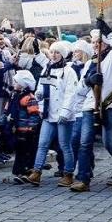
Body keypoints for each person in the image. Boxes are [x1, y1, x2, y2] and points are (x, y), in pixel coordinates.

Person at [71, 18, 112, 192]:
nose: (96, 45)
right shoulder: (90, 63)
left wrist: (109, 31)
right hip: (90, 105)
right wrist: (89, 80)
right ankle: (83, 178)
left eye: (99, 42)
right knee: (85, 142)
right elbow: (80, 90)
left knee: (111, 143)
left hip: (111, 104)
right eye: (94, 43)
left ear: (106, 43)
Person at [25, 41, 80, 187]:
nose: (54, 55)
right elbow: (41, 86)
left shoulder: (69, 71)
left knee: (64, 145)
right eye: (52, 52)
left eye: (57, 52)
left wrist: (65, 112)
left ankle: (68, 173)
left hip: (63, 114)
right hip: (49, 113)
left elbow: (71, 93)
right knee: (42, 143)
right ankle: (36, 172)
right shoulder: (46, 69)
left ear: (62, 55)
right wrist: (39, 94)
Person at [5, 70, 41, 182]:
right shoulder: (13, 96)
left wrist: (31, 128)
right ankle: (19, 172)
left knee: (27, 151)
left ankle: (26, 171)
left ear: (23, 84)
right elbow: (7, 111)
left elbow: (34, 114)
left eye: (16, 82)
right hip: (17, 129)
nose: (14, 84)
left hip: (26, 130)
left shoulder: (29, 98)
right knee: (19, 151)